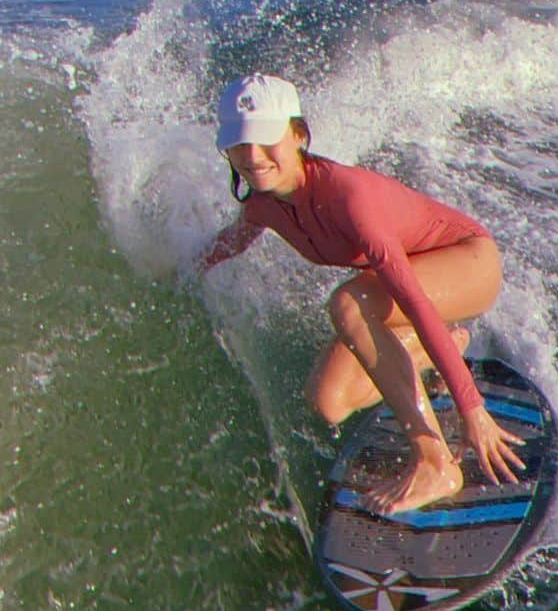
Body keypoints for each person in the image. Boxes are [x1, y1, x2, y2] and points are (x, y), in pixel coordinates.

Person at [200, 73, 524, 514]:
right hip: (411, 286)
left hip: (467, 264)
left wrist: (471, 407)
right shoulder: (262, 203)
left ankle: (436, 463)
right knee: (328, 403)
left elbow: (413, 302)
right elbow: (232, 241)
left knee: (348, 302)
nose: (253, 157)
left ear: (297, 135)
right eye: (239, 144)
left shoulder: (348, 199)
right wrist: (182, 267)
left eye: (266, 140)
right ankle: (445, 346)